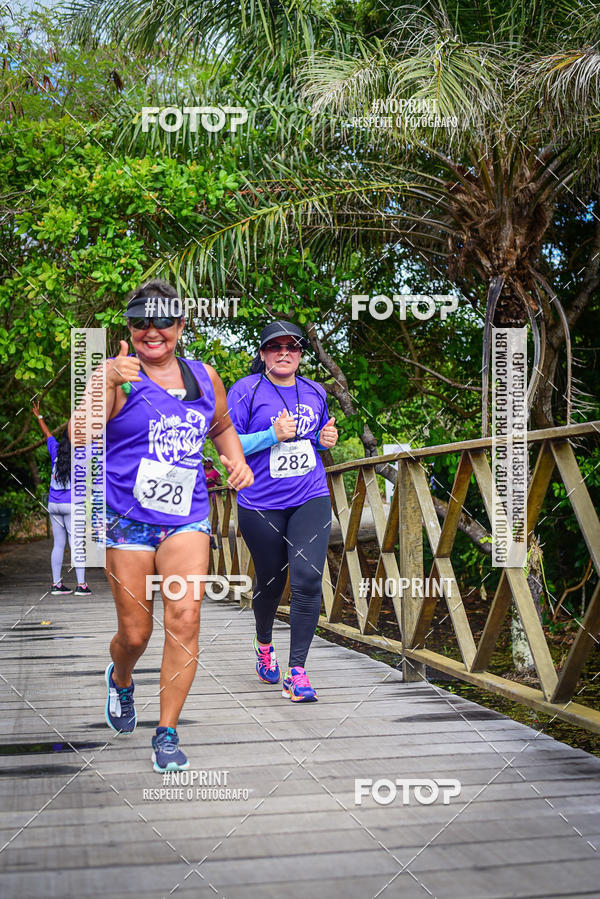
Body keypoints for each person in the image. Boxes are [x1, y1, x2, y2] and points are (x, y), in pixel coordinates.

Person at [68, 279, 253, 772]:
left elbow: (221, 427)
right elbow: (80, 436)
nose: (152, 331)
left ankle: (166, 732)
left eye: (163, 321)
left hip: (186, 518)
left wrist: (236, 462)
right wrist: (104, 379)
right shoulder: (115, 377)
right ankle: (122, 679)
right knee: (135, 634)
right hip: (127, 522)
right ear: (129, 327)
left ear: (181, 324)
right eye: (140, 322)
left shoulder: (201, 376)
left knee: (186, 618)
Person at [227, 321, 338, 702]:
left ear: (301, 354)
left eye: (292, 346)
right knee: (271, 582)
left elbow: (317, 440)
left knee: (307, 579)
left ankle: (298, 672)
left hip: (310, 494)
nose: (284, 352)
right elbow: (230, 444)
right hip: (260, 503)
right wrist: (271, 436)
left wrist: (325, 441)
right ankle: (263, 643)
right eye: (275, 347)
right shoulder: (245, 391)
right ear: (262, 354)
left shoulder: (315, 391)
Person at [32, 401, 91, 597]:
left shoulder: (55, 449)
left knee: (58, 544)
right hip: (73, 505)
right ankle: (81, 586)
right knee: (77, 545)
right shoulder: (83, 453)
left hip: (54, 504)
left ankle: (57, 584)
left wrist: (38, 416)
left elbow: (47, 434)